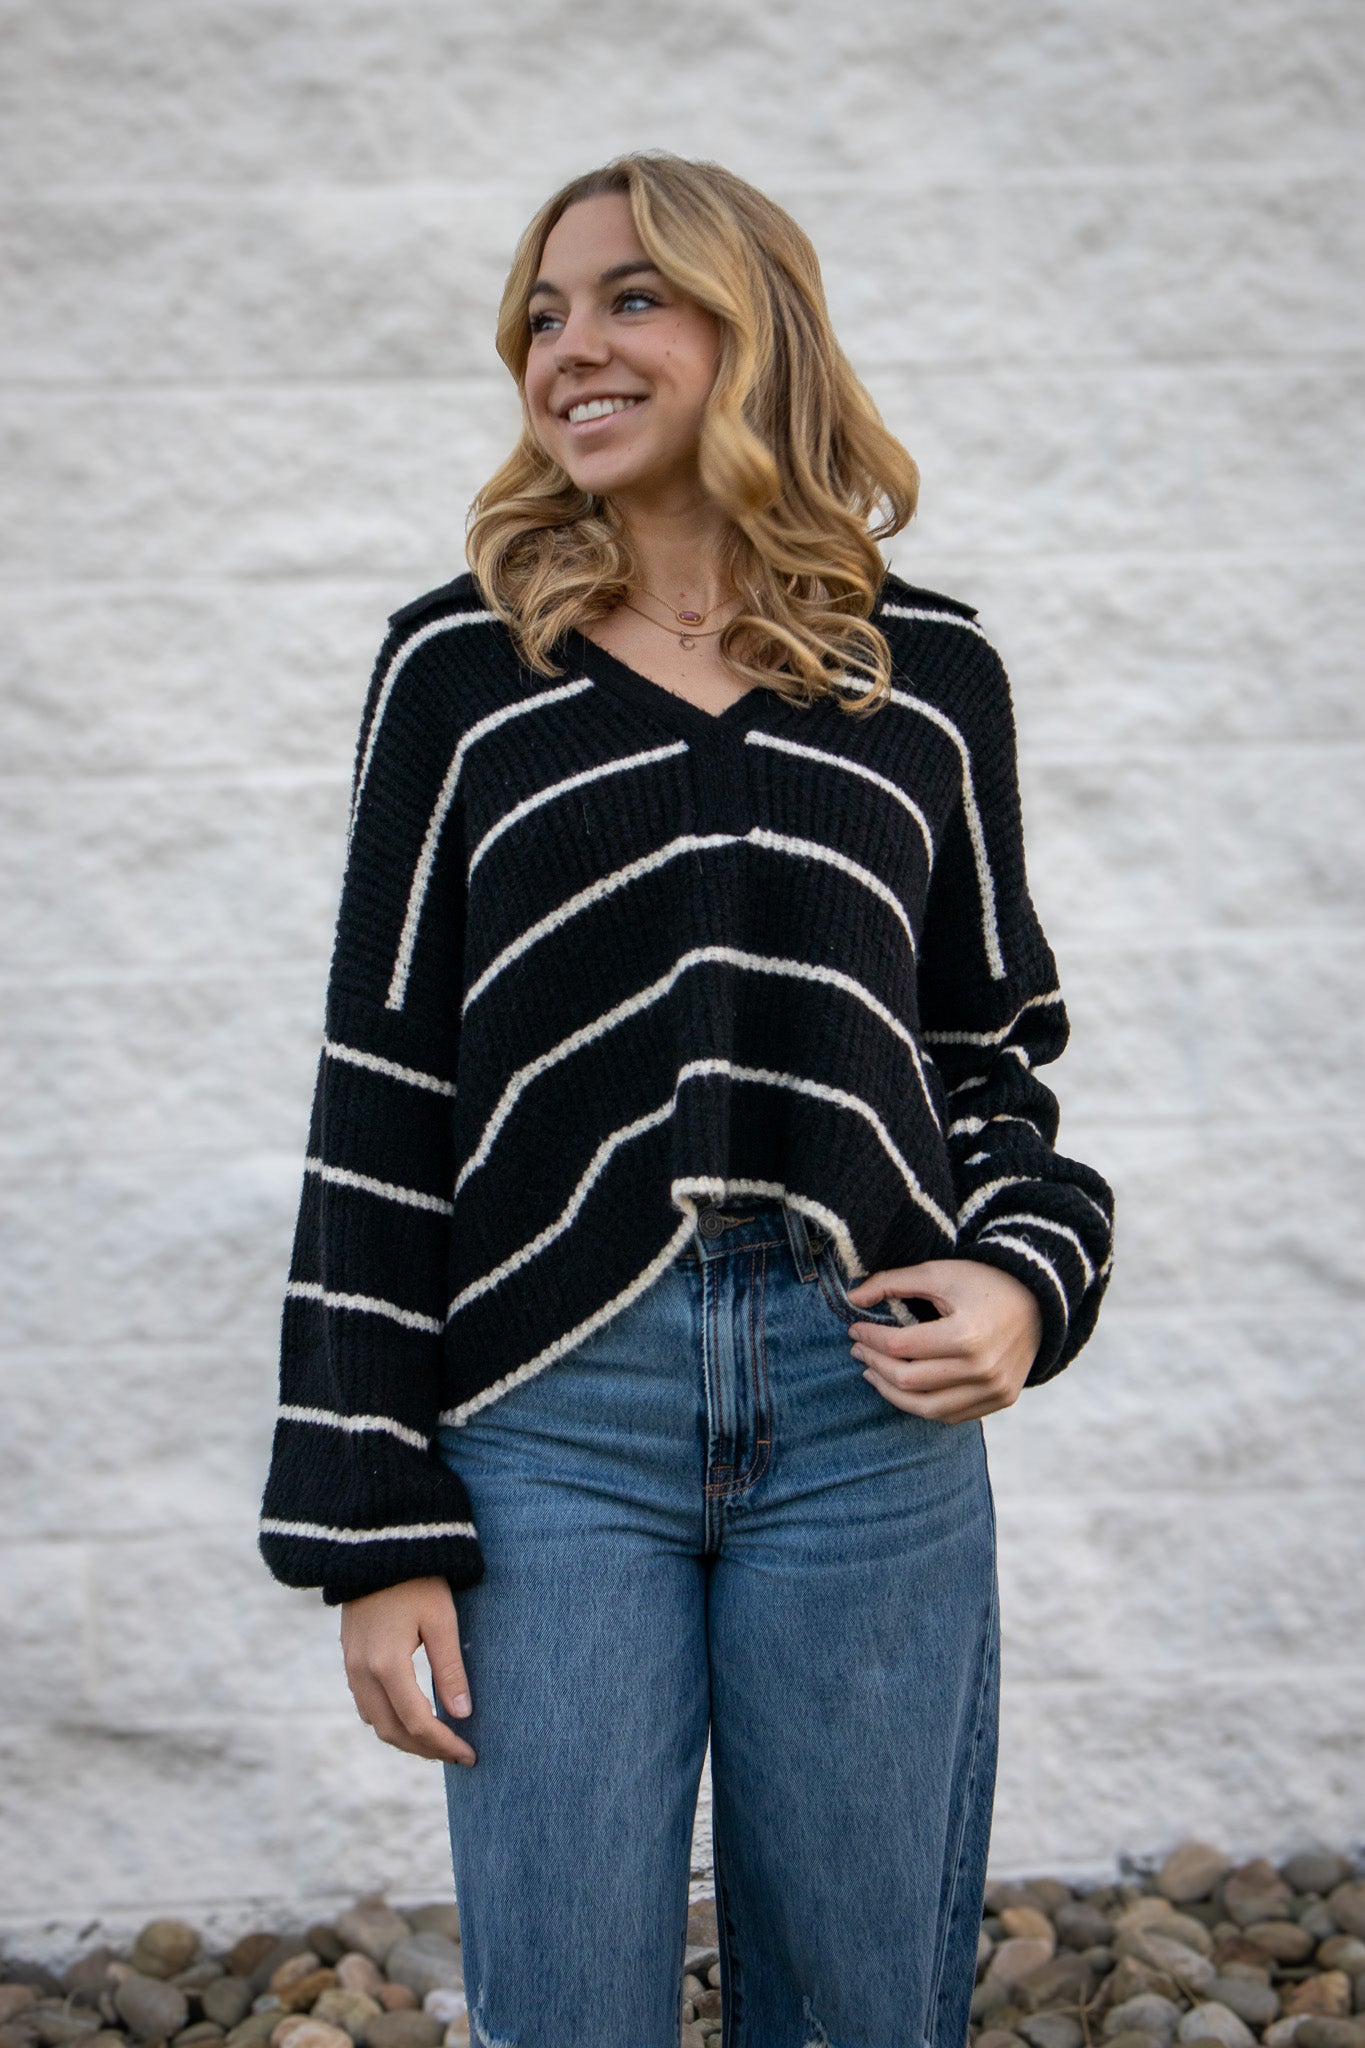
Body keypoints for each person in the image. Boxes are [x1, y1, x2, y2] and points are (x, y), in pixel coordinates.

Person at [258, 150, 1115, 2048]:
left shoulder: (928, 673)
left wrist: (1028, 1279)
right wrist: (367, 1514)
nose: (572, 343)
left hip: (861, 1409)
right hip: (550, 1423)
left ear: (758, 330)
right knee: (565, 2003)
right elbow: (384, 1088)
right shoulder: (461, 675)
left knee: (864, 2005)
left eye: (631, 296)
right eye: (543, 314)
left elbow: (989, 1056)